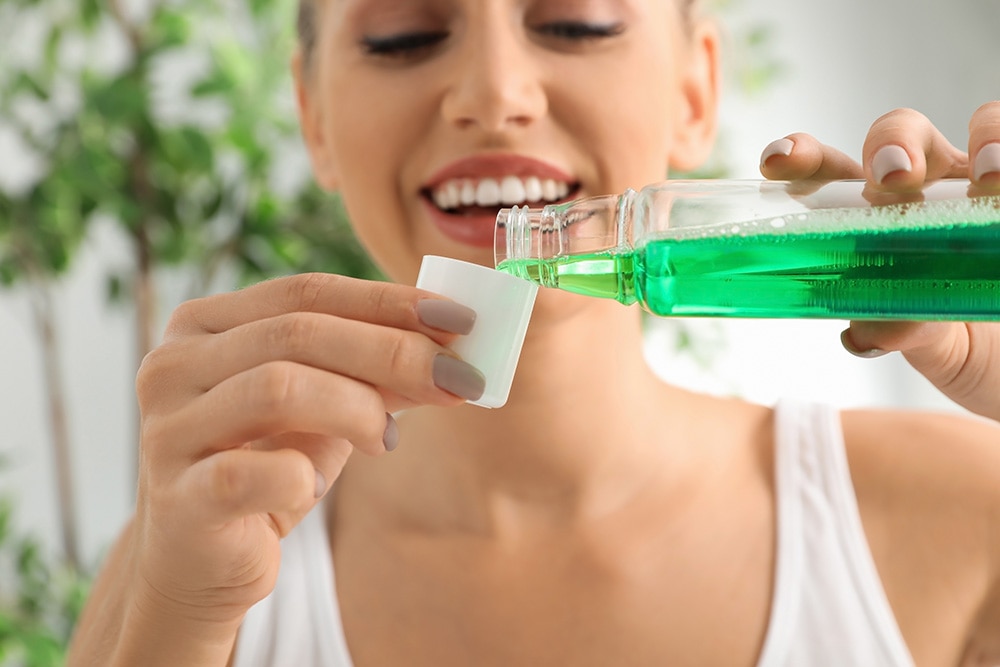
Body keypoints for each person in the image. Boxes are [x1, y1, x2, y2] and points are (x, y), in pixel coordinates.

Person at [68, 0, 1000, 665]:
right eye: (403, 36)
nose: (494, 92)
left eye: (575, 24)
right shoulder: (201, 566)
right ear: (313, 115)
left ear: (696, 89)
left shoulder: (966, 514)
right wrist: (172, 627)